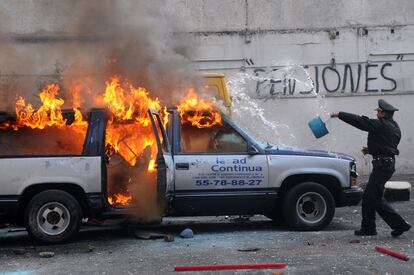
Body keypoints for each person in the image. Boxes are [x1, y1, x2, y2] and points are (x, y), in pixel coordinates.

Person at [331, 99, 411, 237]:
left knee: (369, 197)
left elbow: (360, 122)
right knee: (375, 198)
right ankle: (398, 225)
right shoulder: (394, 126)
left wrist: (340, 114)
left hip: (382, 166)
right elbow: (388, 145)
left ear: (383, 113)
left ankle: (370, 228)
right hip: (386, 164)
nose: (377, 114)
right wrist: (371, 149)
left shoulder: (380, 125)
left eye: (378, 111)